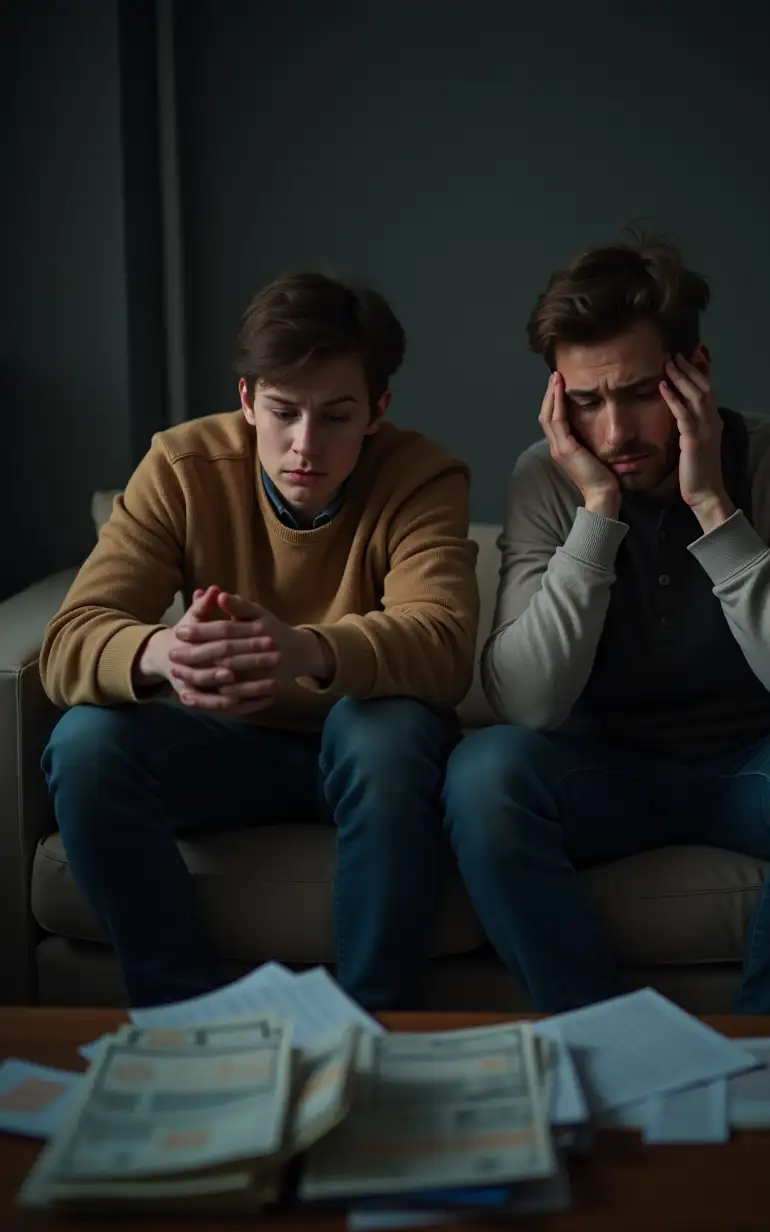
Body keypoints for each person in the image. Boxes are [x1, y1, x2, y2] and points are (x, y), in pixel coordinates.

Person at [443, 232, 770, 1014]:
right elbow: (527, 706)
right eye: (586, 402)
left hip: (756, 769)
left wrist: (712, 505)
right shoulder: (546, 480)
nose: (615, 433)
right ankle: (611, 1041)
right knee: (484, 774)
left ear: (696, 373)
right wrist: (596, 512)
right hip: (601, 776)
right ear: (560, 398)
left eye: (641, 393)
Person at [41, 271, 479, 1010]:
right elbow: (68, 642)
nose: (305, 446)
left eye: (337, 417)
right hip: (224, 749)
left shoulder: (422, 475)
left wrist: (304, 650)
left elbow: (443, 643)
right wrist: (162, 652)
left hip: (366, 756)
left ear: (378, 410)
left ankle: (370, 1025)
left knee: (388, 728)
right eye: (283, 412)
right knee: (84, 743)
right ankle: (183, 1018)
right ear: (246, 401)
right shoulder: (182, 467)